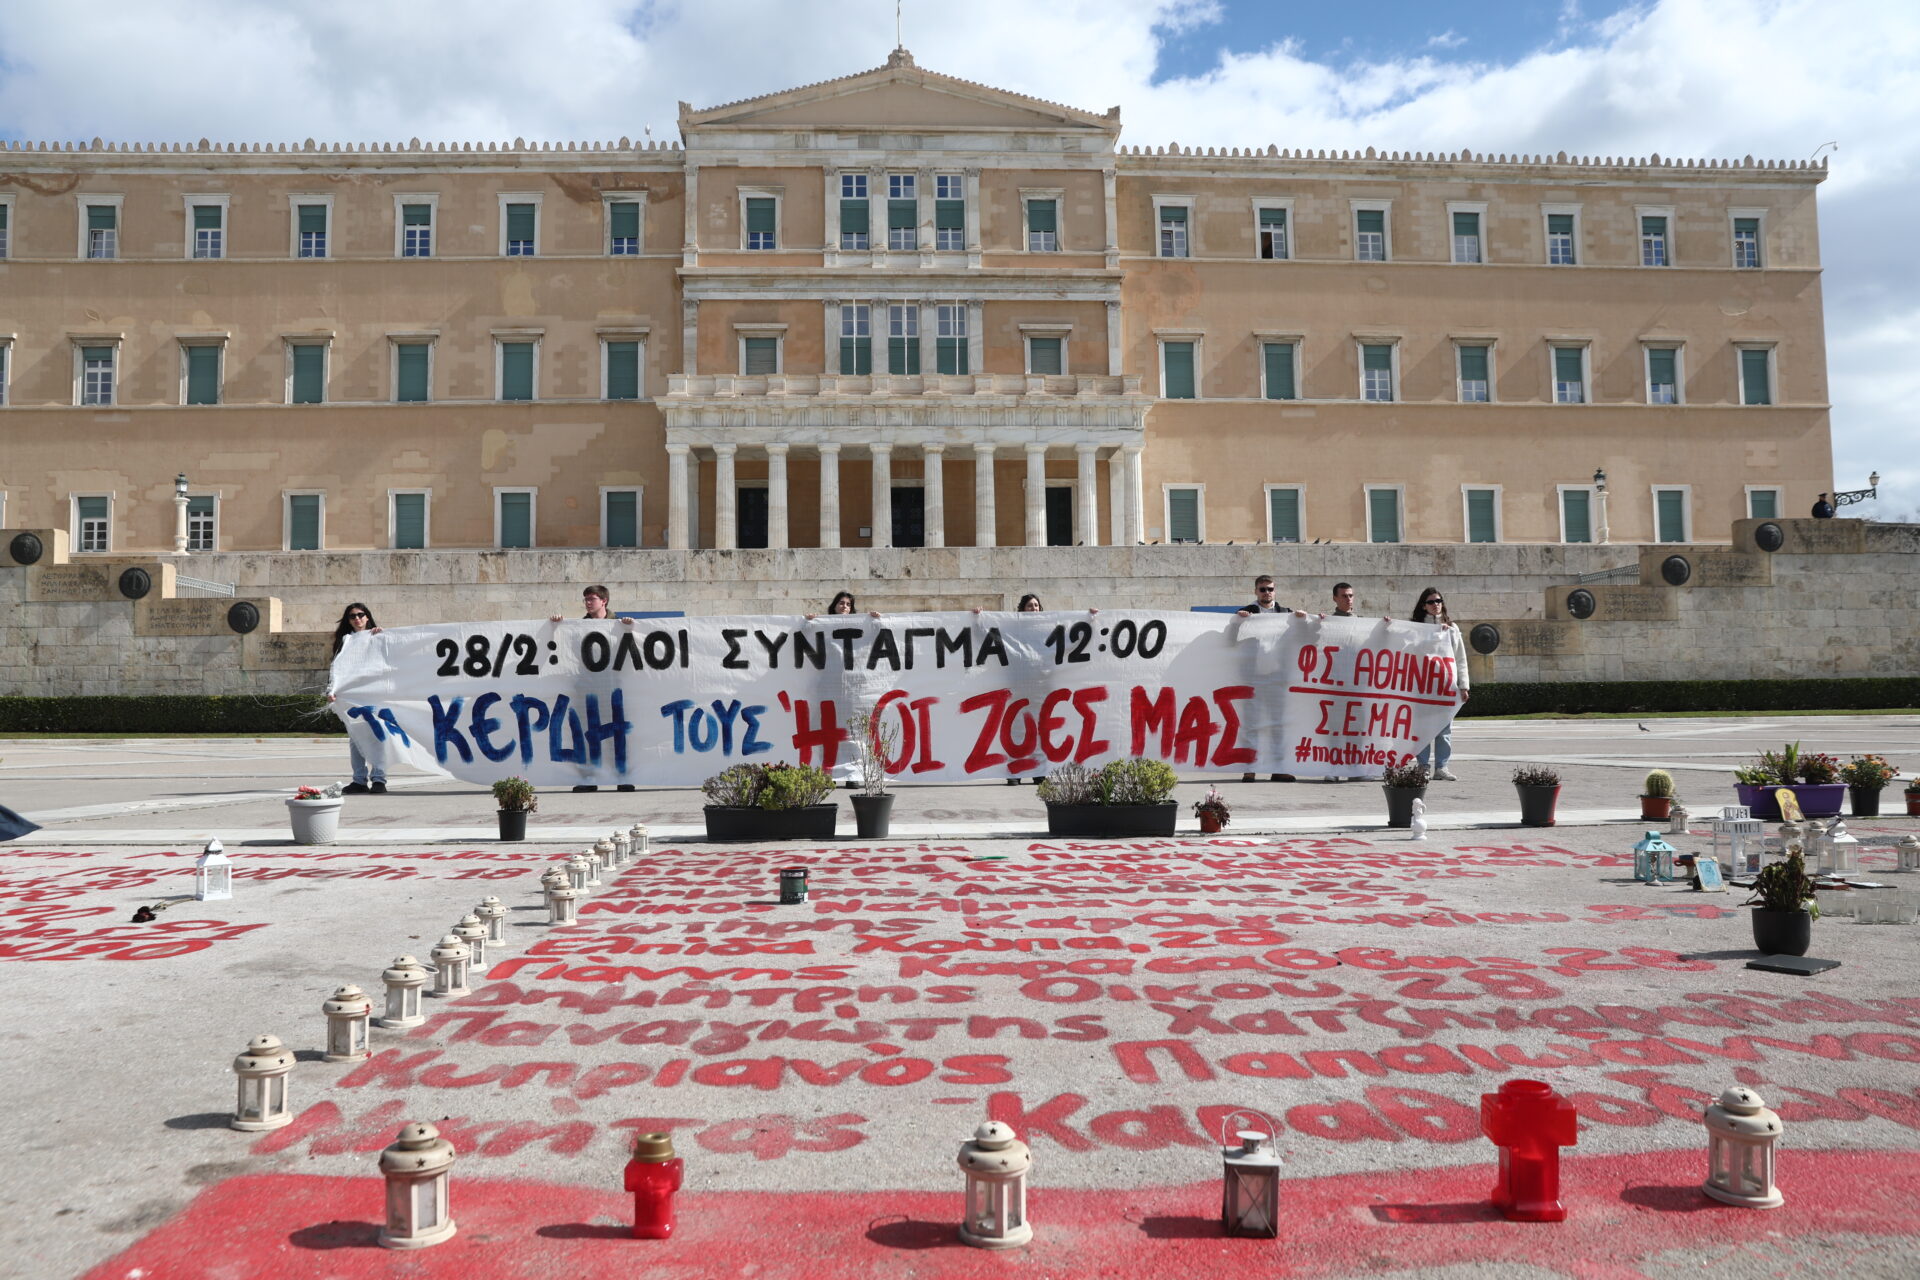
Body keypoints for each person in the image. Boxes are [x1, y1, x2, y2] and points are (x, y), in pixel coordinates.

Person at [550, 587, 635, 791]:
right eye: (585, 599)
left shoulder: (618, 624)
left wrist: (630, 628)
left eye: (592, 599)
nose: (588, 603)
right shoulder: (578, 626)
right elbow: (561, 646)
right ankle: (588, 778)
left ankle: (622, 776)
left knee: (616, 732)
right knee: (586, 733)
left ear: (604, 601)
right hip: (586, 686)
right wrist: (556, 625)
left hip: (611, 686)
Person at [1235, 576, 1304, 782]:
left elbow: (1307, 637)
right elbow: (1230, 640)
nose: (1267, 593)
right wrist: (1238, 622)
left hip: (1277, 678)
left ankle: (1278, 768)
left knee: (1278, 724)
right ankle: (1250, 768)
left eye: (1270, 589)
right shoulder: (1246, 613)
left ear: (1275, 591)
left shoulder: (1286, 614)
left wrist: (1304, 620)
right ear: (1256, 591)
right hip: (1253, 678)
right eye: (1262, 589)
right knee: (1251, 724)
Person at [1411, 586, 1470, 781]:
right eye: (1431, 602)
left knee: (1444, 730)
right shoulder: (1415, 626)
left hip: (1446, 685)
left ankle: (1442, 767)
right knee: (1422, 729)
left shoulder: (1452, 628)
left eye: (1438, 601)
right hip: (1423, 686)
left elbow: (1460, 658)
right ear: (1423, 605)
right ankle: (1422, 766)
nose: (1436, 605)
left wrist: (1464, 685)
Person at [331, 603, 386, 794]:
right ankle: (359, 780)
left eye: (361, 615)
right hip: (353, 696)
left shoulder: (378, 637)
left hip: (374, 694)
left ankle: (379, 779)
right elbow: (337, 669)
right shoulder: (345, 642)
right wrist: (333, 690)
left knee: (378, 737)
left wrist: (382, 637)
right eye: (352, 616)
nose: (357, 618)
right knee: (356, 739)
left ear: (367, 617)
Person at [806, 590, 881, 620]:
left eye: (848, 604)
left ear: (850, 609)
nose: (845, 606)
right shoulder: (823, 623)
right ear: (834, 606)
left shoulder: (859, 623)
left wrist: (877, 619)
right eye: (841, 603)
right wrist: (809, 621)